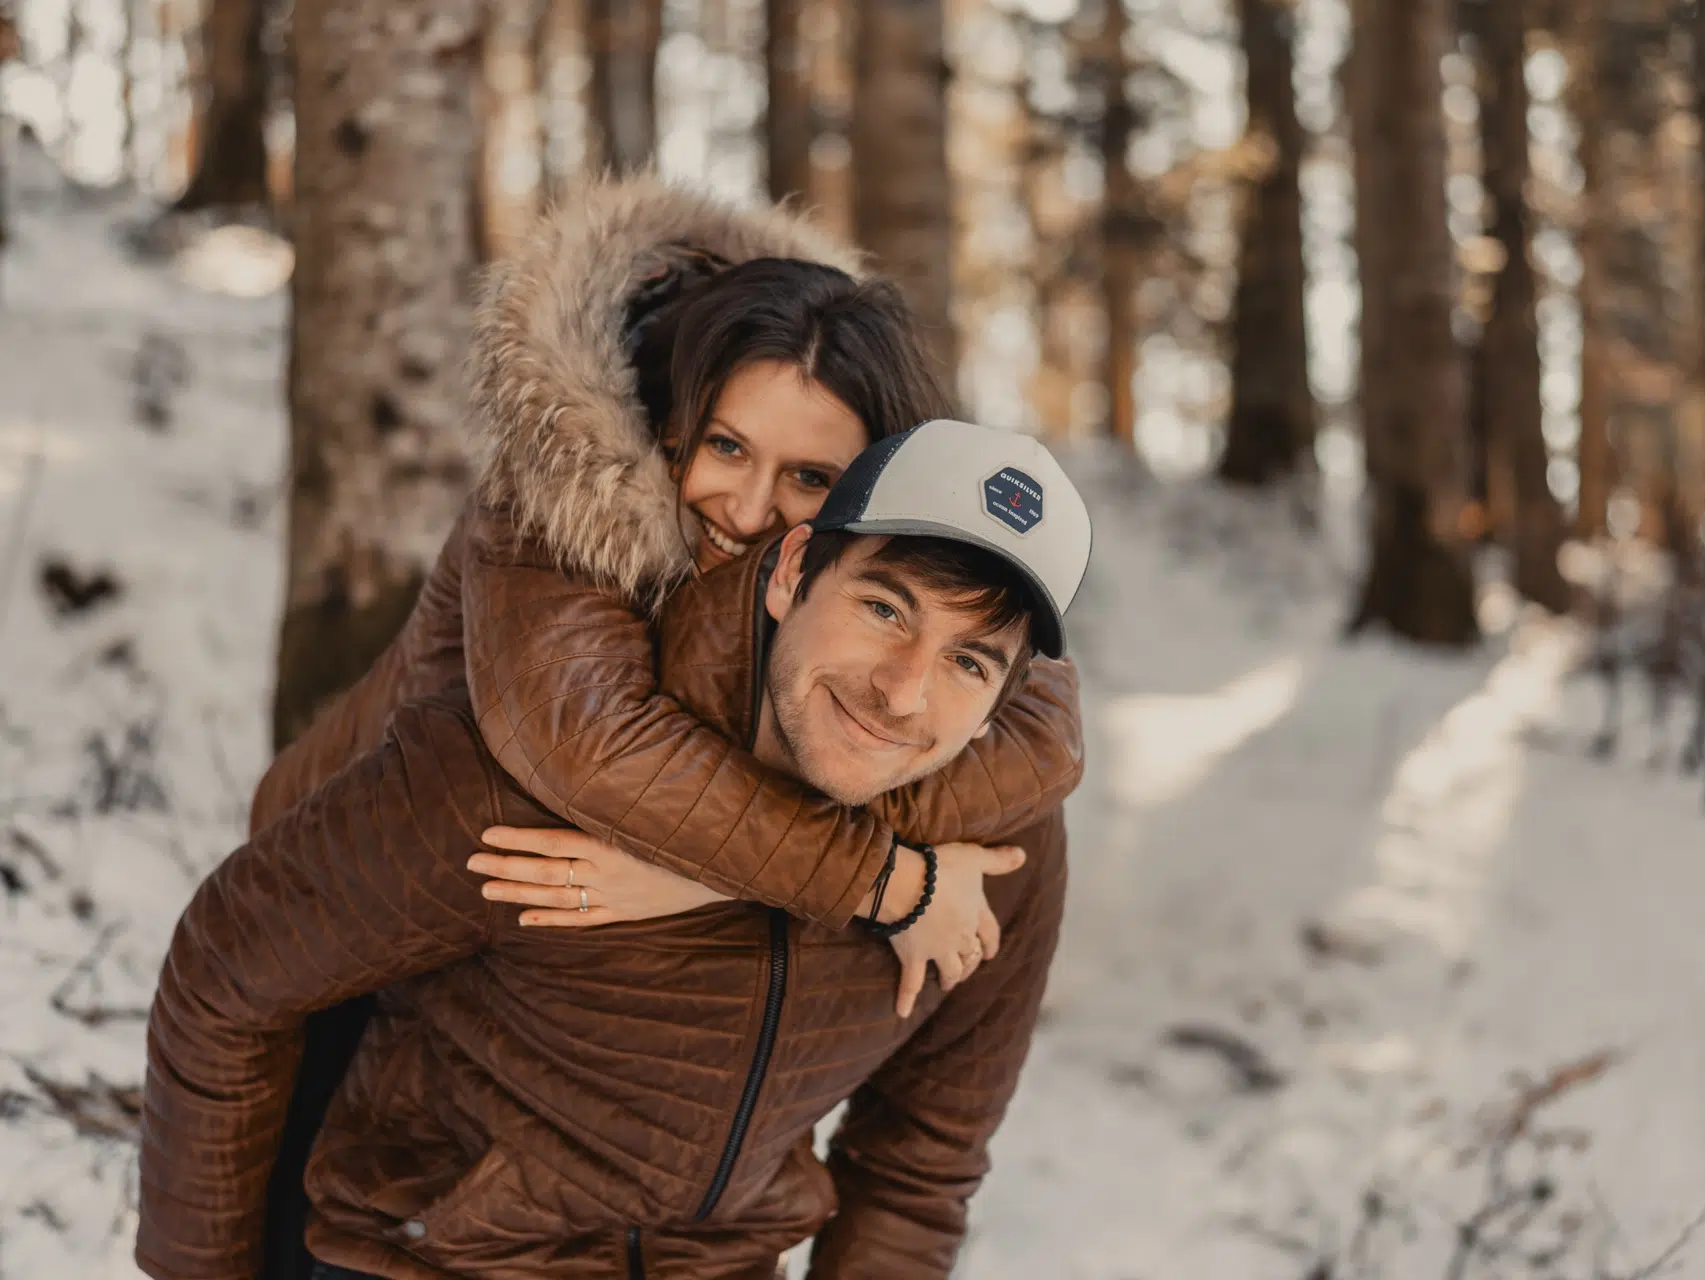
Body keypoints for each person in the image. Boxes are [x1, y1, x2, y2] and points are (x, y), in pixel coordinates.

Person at [137, 419, 1094, 1280]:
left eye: (969, 662)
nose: (902, 690)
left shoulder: (997, 857)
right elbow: (226, 977)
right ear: (795, 569)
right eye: (886, 609)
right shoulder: (534, 766)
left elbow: (920, 1161)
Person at [251, 176, 1084, 1002]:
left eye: (810, 476)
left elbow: (1047, 735)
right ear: (670, 421)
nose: (751, 510)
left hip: (478, 951)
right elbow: (595, 749)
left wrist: (711, 880)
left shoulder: (856, 582)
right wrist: (893, 883)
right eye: (726, 448)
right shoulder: (555, 504)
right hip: (327, 873)